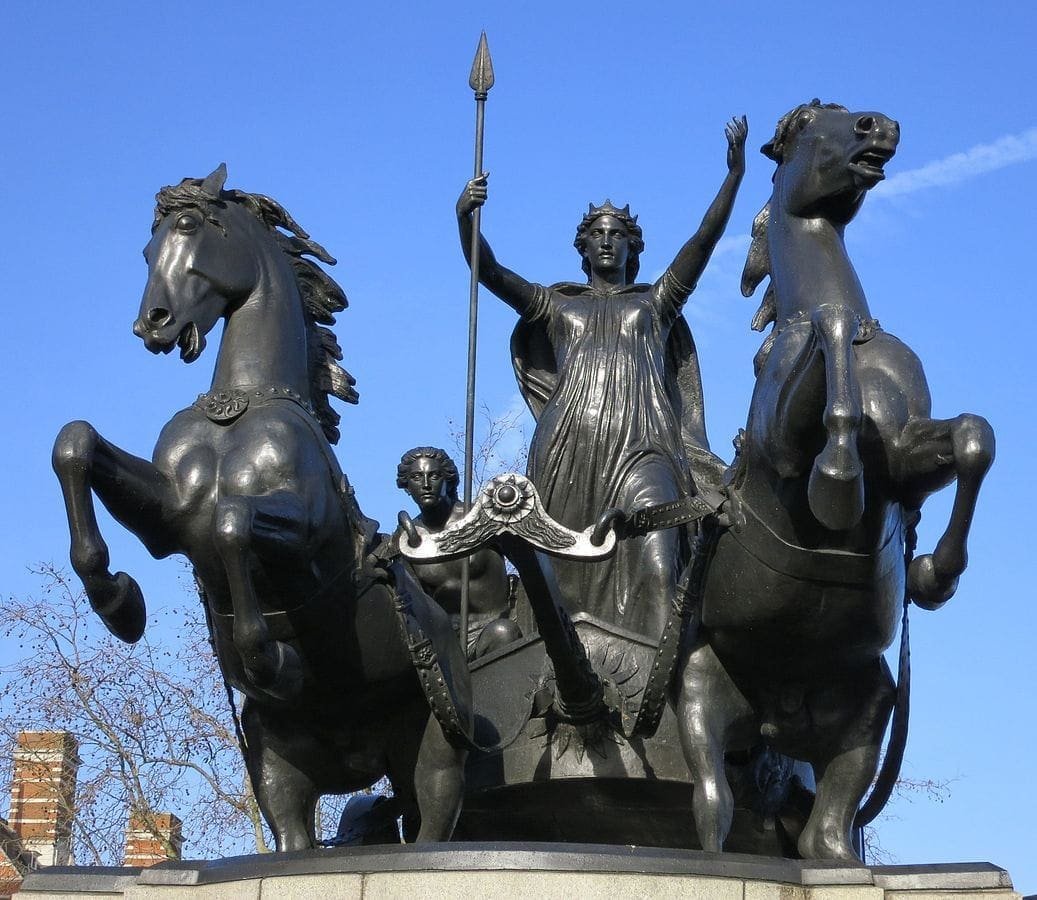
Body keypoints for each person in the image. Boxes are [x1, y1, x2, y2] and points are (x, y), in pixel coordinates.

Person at [455, 118, 746, 640]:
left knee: (659, 564)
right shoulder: (556, 305)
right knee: (560, 580)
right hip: (569, 448)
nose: (607, 242)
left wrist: (734, 175)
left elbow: (703, 241)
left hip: (644, 446)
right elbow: (489, 272)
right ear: (582, 247)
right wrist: (466, 221)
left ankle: (661, 695)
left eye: (617, 235)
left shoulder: (656, 304)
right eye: (597, 235)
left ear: (634, 247)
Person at [396, 446, 521, 658]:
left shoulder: (482, 517)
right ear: (407, 486)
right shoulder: (407, 542)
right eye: (416, 477)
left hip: (498, 629)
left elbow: (529, 561)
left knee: (502, 633)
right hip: (449, 649)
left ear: (449, 480)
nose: (426, 485)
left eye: (434, 475)